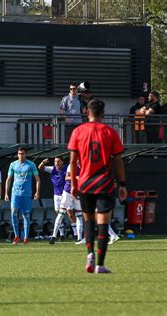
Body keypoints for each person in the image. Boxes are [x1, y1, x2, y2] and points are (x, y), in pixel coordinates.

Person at [68, 98, 127, 274]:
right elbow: (118, 162)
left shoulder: (78, 131)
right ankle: (100, 265)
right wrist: (122, 184)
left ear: (87, 112)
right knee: (103, 222)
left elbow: (72, 161)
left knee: (87, 220)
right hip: (104, 183)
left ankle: (89, 254)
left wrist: (73, 184)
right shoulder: (110, 132)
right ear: (103, 114)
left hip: (85, 183)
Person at [4, 147, 40, 245]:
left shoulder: (31, 165)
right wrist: (6, 193)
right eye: (19, 153)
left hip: (26, 194)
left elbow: (37, 179)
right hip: (15, 194)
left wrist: (37, 192)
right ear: (17, 154)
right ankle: (16, 236)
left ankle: (26, 238)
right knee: (13, 213)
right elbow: (8, 179)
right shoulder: (13, 164)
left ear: (25, 154)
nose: (21, 155)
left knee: (26, 215)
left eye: (22, 153)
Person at [38, 157, 67, 241]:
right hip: (56, 195)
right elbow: (40, 168)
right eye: (55, 161)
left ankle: (77, 235)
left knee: (70, 213)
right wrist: (43, 162)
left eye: (58, 161)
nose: (56, 163)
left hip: (66, 194)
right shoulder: (52, 169)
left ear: (62, 162)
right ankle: (61, 234)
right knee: (58, 214)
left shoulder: (67, 168)